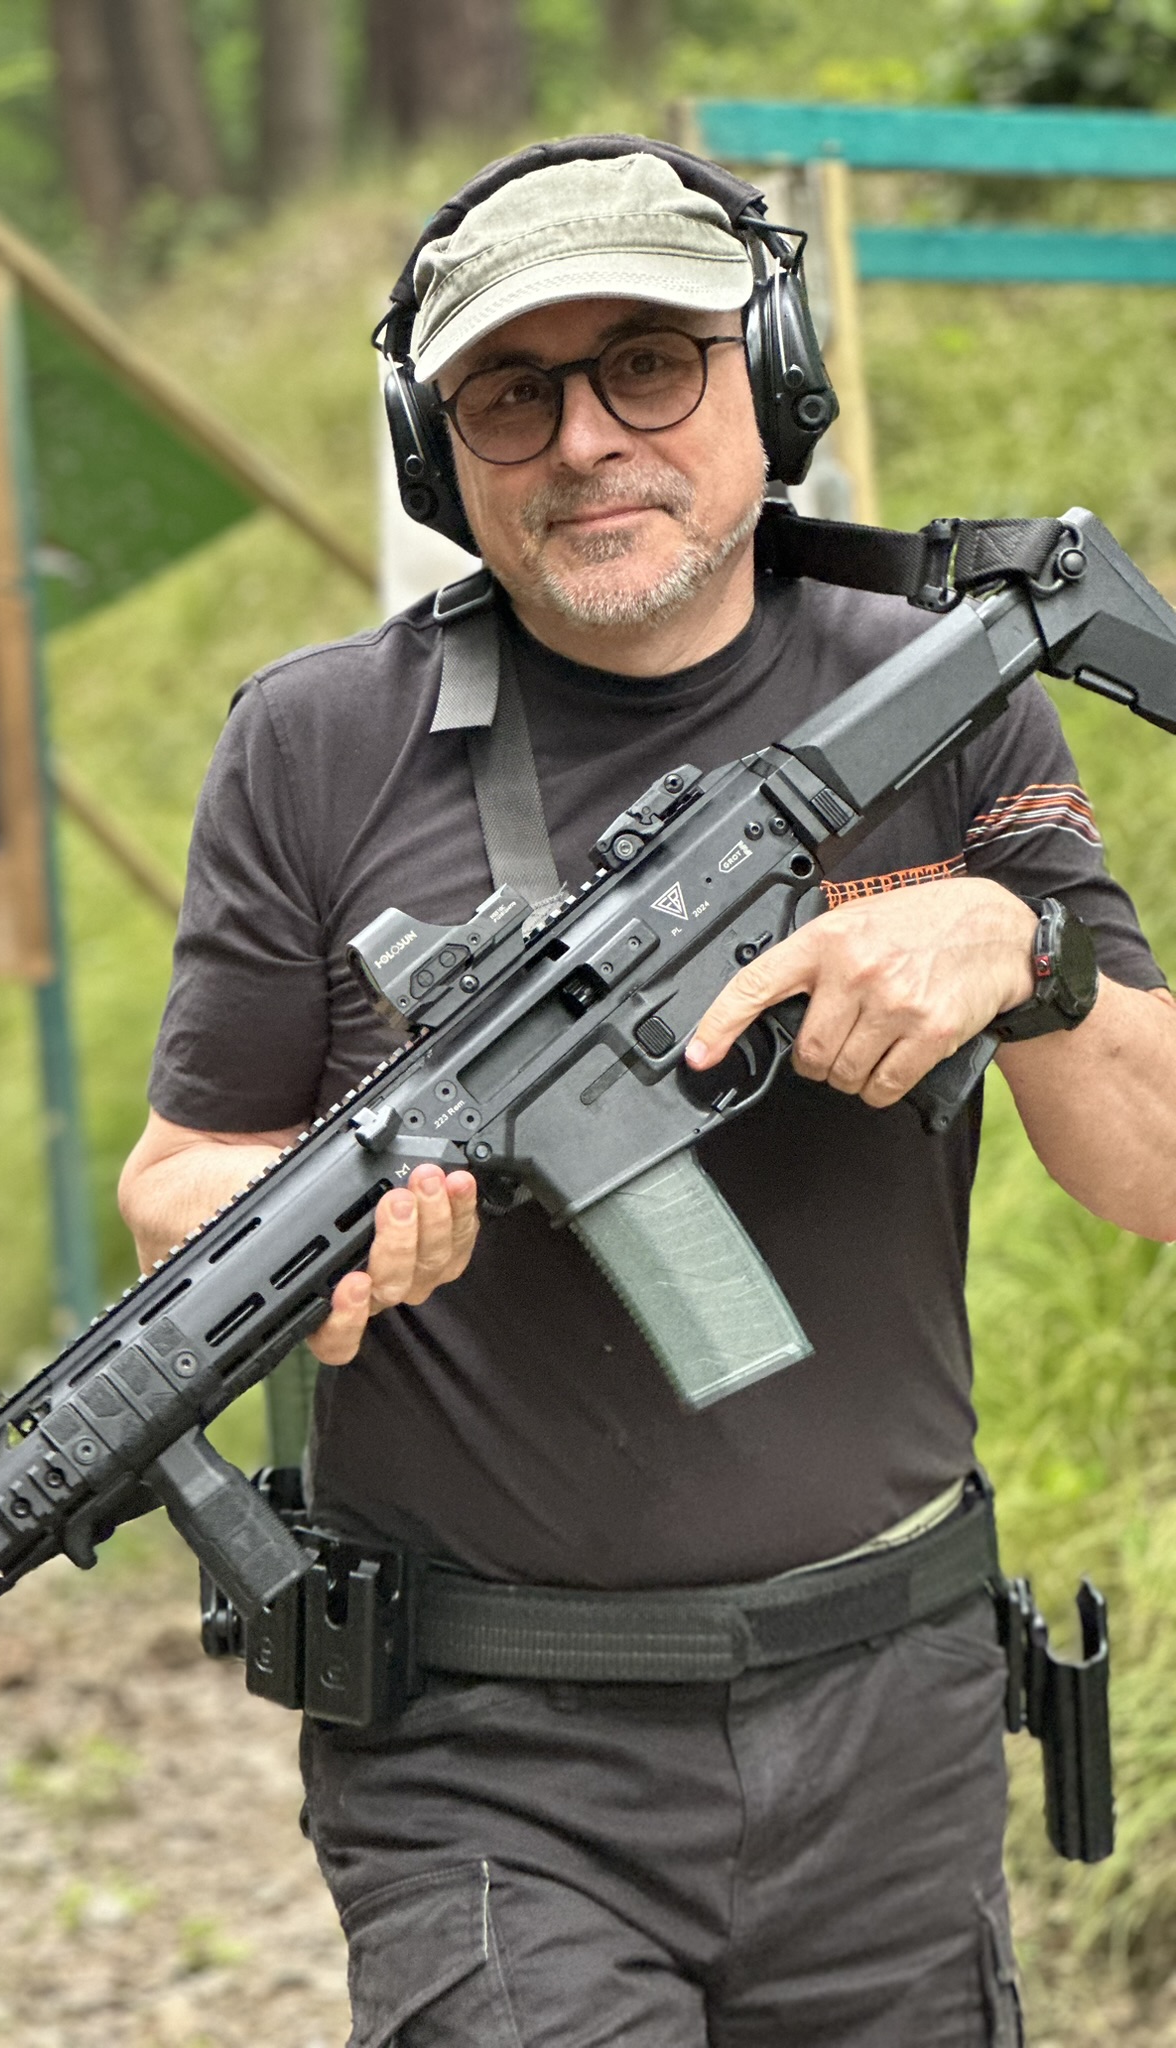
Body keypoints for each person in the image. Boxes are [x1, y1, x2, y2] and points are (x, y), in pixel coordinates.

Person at [119, 143, 1176, 2046]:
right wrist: (298, 1252)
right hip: (491, 1752)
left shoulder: (949, 688)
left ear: (769, 375)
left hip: (895, 1727)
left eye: (649, 365)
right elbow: (185, 1174)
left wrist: (1026, 948)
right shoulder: (317, 742)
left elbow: (1153, 1170)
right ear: (438, 454)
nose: (587, 439)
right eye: (512, 395)